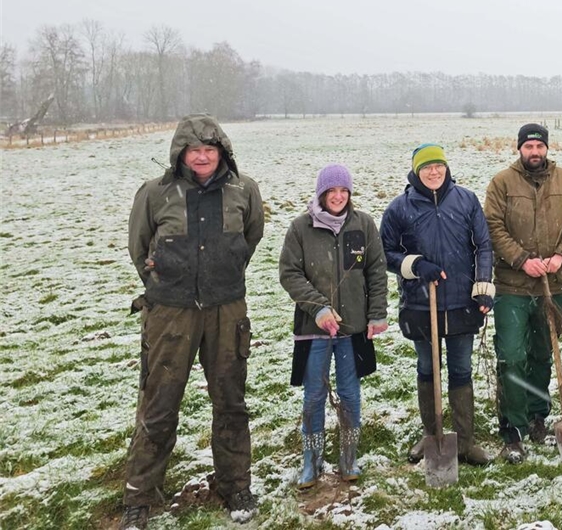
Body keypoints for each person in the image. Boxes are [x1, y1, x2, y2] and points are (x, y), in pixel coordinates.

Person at [123, 114, 264, 529]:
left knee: (230, 400)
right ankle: (140, 496)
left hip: (226, 310)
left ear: (222, 152)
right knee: (159, 403)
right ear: (180, 153)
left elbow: (250, 239)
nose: (202, 157)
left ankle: (234, 483)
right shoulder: (155, 193)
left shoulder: (244, 191)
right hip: (170, 313)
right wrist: (165, 282)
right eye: (194, 150)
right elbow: (138, 247)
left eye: (210, 149)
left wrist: (222, 274)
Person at [381, 144, 495, 465]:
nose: (434, 172)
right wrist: (416, 265)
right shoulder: (399, 208)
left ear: (446, 168)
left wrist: (483, 287)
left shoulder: (466, 200)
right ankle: (432, 436)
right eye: (427, 167)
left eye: (439, 166)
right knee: (428, 369)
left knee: (461, 370)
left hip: (461, 302)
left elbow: (483, 245)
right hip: (420, 304)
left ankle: (464, 442)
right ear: (417, 171)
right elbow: (385, 253)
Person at [279, 164, 389, 489]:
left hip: (353, 329)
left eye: (344, 190)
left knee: (350, 395)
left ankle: (348, 457)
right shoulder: (300, 228)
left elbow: (376, 272)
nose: (338, 196)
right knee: (313, 396)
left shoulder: (364, 225)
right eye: (332, 191)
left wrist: (377, 314)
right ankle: (311, 462)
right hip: (314, 329)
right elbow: (290, 274)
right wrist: (319, 308)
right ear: (321, 194)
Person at [484, 124, 562, 463]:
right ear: (519, 149)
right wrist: (520, 259)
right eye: (528, 146)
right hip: (512, 285)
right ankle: (511, 427)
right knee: (513, 355)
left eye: (538, 146)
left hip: (553, 285)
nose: (534, 152)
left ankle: (537, 414)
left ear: (546, 149)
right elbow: (493, 226)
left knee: (544, 352)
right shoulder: (502, 182)